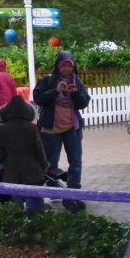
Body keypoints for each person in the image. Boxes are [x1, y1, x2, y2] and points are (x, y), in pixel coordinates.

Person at [33, 51, 89, 212]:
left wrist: (75, 92)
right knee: (50, 162)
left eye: (69, 65)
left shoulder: (76, 81)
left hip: (72, 128)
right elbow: (38, 98)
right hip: (51, 128)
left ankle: (73, 192)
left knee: (76, 161)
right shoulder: (48, 80)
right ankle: (54, 189)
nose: (66, 69)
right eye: (63, 65)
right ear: (58, 66)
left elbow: (84, 102)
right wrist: (56, 90)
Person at [0, 95, 48, 211]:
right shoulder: (31, 128)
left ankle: (18, 223)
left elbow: (0, 150)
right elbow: (39, 149)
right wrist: (44, 166)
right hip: (32, 169)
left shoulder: (4, 129)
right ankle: (37, 221)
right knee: (34, 200)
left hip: (11, 170)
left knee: (16, 201)